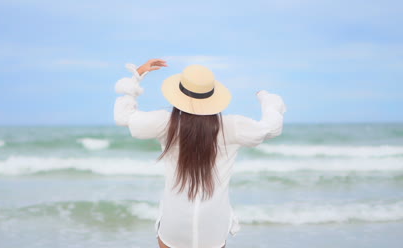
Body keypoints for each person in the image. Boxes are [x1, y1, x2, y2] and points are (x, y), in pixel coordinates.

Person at [114, 58, 286, 248]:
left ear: (179, 94)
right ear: (212, 96)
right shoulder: (231, 126)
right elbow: (270, 128)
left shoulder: (166, 123)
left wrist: (136, 77)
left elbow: (124, 116)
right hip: (213, 223)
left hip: (175, 220)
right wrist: (268, 100)